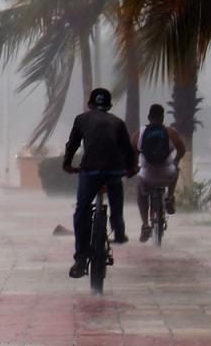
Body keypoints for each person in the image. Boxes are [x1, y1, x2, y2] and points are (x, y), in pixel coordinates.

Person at [62, 87, 138, 279]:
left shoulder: (81, 120)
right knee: (116, 199)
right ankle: (119, 230)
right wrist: (130, 170)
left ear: (89, 105)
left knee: (82, 209)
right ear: (109, 105)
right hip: (113, 170)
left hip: (90, 171)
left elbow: (72, 145)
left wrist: (67, 165)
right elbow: (128, 151)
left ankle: (80, 259)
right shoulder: (118, 122)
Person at [132, 104, 187, 242]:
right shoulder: (170, 133)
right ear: (162, 117)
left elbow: (132, 153)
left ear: (148, 117)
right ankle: (169, 197)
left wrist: (136, 166)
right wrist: (175, 160)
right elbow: (182, 150)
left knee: (141, 194)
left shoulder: (139, 133)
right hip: (167, 175)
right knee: (176, 170)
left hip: (147, 177)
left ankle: (145, 225)